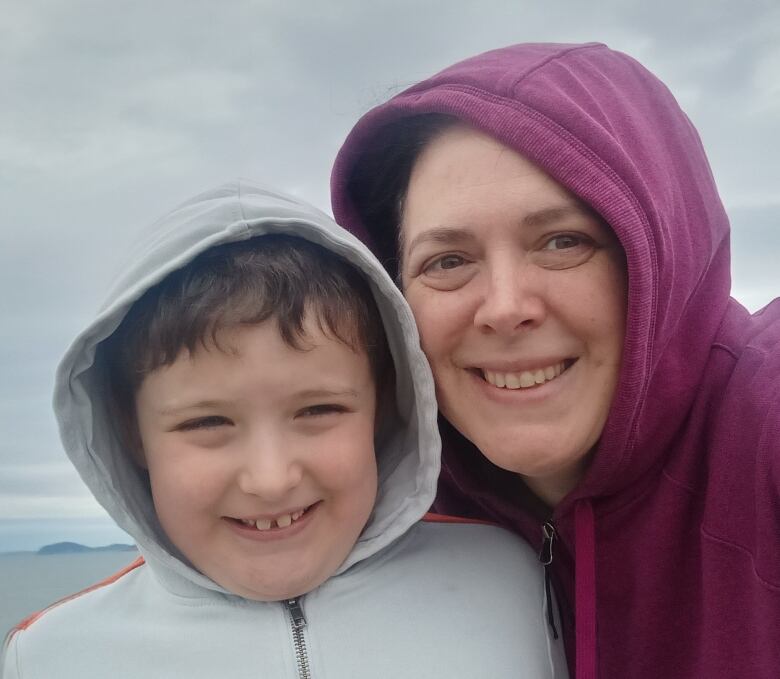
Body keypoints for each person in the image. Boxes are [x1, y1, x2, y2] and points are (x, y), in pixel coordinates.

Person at [331, 42, 780, 679]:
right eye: (448, 261)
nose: (505, 307)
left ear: (662, 256)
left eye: (563, 241)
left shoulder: (762, 426)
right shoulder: (377, 506)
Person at [1, 181, 567, 679]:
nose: (270, 480)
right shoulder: (50, 656)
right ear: (131, 434)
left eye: (318, 410)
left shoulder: (509, 579)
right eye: (206, 422)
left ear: (386, 409)